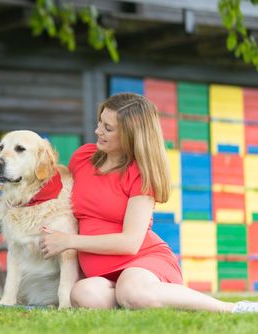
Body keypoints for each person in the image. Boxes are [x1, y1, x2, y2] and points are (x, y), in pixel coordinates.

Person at [39, 92, 258, 313]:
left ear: (130, 135)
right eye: (100, 123)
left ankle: (232, 308)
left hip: (143, 261)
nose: (98, 131)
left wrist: (69, 241)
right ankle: (141, 299)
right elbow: (53, 188)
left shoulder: (140, 174)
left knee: (133, 292)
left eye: (108, 128)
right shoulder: (82, 157)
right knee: (84, 294)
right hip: (105, 276)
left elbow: (130, 242)